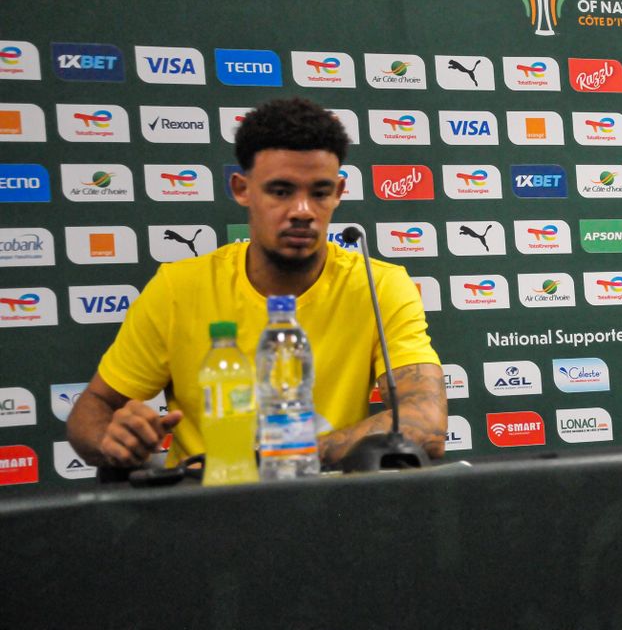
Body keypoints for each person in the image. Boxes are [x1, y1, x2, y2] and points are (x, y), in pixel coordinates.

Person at [67, 98, 447, 468]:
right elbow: (95, 406)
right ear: (241, 189)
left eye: (319, 193)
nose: (302, 211)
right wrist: (110, 439)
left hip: (327, 500)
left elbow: (427, 423)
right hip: (204, 500)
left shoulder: (379, 285)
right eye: (281, 191)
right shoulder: (178, 288)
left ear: (339, 193)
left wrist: (280, 459)